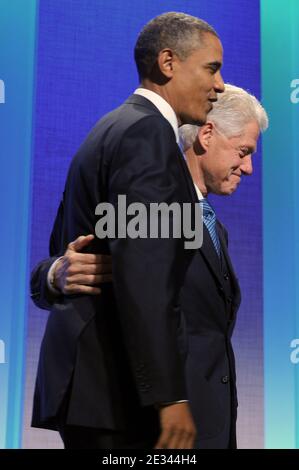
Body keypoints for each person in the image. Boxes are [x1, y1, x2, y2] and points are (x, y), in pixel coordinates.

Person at [31, 84, 268, 448]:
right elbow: (75, 263)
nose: (249, 168)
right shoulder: (148, 191)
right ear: (206, 135)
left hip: (202, 420)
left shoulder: (211, 224)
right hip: (145, 421)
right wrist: (54, 276)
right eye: (244, 152)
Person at [30, 12, 225, 449]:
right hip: (115, 394)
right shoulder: (148, 135)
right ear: (168, 62)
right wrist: (169, 394)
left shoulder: (111, 128)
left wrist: (52, 275)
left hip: (92, 391)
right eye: (211, 68)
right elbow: (146, 273)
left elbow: (67, 250)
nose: (220, 85)